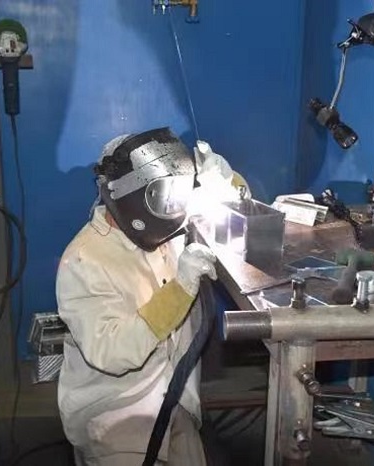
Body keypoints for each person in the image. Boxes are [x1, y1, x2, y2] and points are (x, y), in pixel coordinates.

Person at [56, 127, 246, 466]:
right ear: (133, 199)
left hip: (175, 398)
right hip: (114, 409)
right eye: (167, 195)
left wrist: (227, 183)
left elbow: (237, 222)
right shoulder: (84, 261)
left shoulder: (168, 224)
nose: (177, 206)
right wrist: (180, 289)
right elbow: (113, 352)